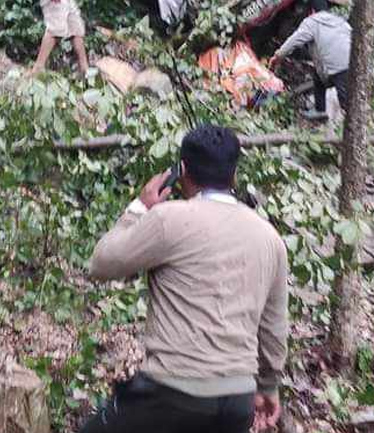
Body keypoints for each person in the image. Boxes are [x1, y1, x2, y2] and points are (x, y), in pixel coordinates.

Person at [83, 124, 288, 433]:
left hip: (172, 390)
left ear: (182, 171)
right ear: (233, 175)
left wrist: (140, 208)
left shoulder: (170, 218)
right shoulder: (269, 238)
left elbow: (102, 263)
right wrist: (268, 386)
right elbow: (273, 327)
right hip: (237, 399)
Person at [268, 0, 352, 120]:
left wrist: (278, 55)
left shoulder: (312, 22)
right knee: (318, 78)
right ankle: (320, 111)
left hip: (338, 69)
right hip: (353, 62)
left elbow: (294, 40)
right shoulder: (338, 20)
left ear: (311, 10)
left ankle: (351, 133)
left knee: (348, 107)